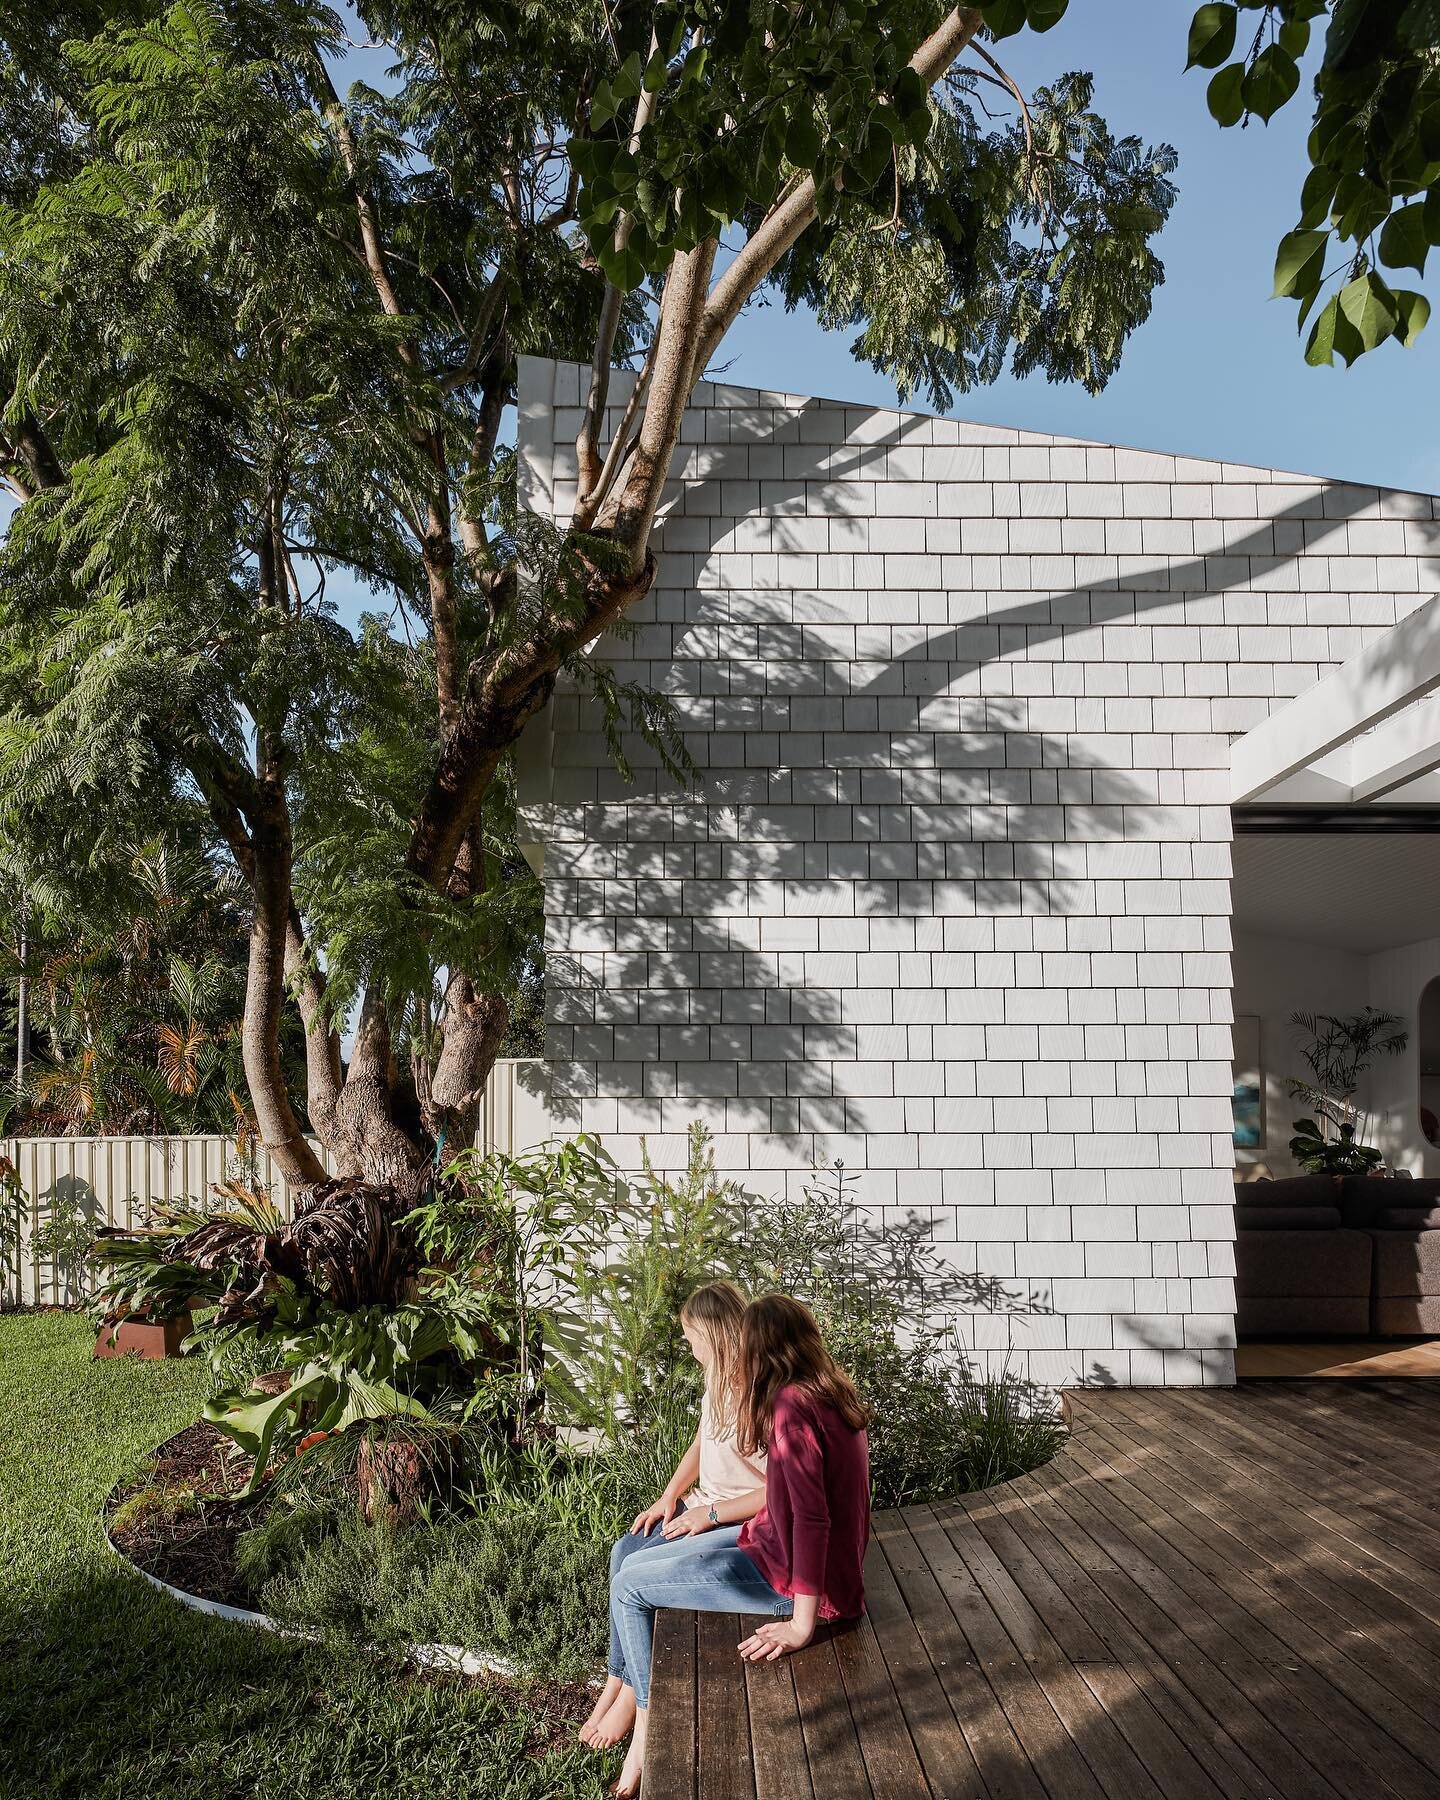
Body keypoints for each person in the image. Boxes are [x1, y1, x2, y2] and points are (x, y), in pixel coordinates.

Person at [608, 1292, 871, 1799]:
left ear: (765, 1350)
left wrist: (801, 1623)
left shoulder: (793, 1407)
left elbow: (815, 1522)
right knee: (633, 1559)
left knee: (628, 1588)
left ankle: (647, 1715)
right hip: (770, 1549)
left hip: (787, 1579)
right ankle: (629, 1692)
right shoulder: (825, 1392)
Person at [579, 1280, 766, 1753]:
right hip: (703, 1504)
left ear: (712, 1333)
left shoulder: (758, 1395)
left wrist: (708, 1513)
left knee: (635, 1576)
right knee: (625, 1549)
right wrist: (670, 1496)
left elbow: (777, 1491)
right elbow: (703, 1442)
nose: (686, 1343)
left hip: (733, 1519)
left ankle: (636, 1701)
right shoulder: (716, 1381)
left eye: (689, 1334)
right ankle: (617, 1678)